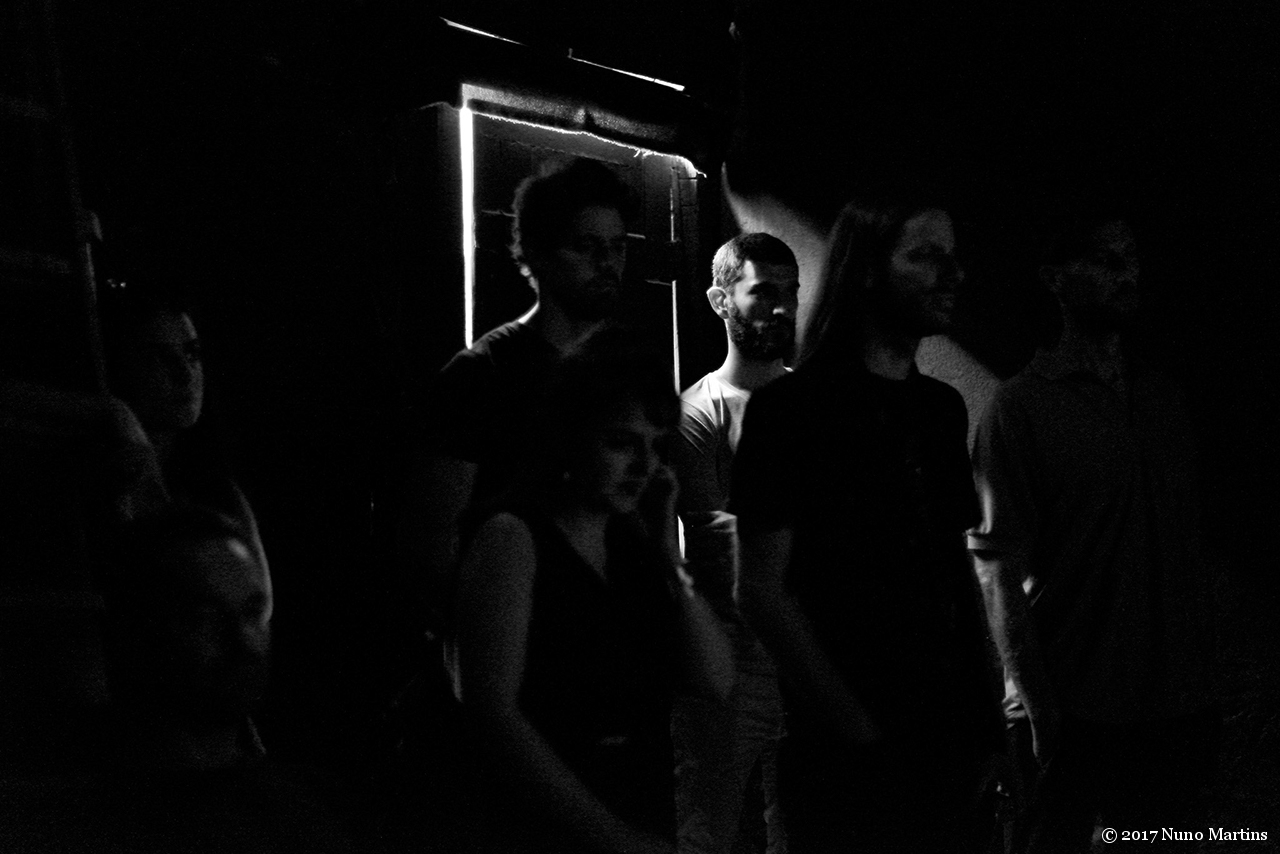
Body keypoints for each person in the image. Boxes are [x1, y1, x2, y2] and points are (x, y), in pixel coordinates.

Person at [732, 198, 1005, 852]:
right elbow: (762, 590)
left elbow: (953, 566)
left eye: (952, 256)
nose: (953, 274)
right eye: (926, 256)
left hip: (949, 744)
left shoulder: (939, 409)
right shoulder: (789, 412)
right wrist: (859, 733)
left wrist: (986, 715)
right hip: (848, 767)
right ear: (867, 270)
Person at [968, 212, 1219, 852]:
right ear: (1055, 279)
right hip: (1076, 707)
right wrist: (1038, 709)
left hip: (1174, 708)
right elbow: (997, 571)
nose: (1127, 275)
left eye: (1131, 260)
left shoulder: (1162, 399)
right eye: (1106, 261)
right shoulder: (1021, 406)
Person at [451, 332, 732, 854]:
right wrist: (616, 839)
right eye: (622, 443)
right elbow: (493, 714)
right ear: (569, 435)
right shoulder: (513, 537)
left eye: (656, 446)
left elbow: (716, 679)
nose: (644, 465)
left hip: (637, 812)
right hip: (543, 829)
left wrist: (668, 554)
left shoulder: (631, 547)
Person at [402, 157, 636, 625]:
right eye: (585, 246)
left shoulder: (623, 374)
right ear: (537, 254)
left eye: (617, 246)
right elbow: (434, 551)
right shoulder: (478, 377)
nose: (607, 262)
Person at [671, 233, 799, 854]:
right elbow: (717, 540)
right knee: (706, 834)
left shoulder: (814, 405)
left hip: (805, 656)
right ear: (721, 301)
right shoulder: (699, 411)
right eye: (764, 291)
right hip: (732, 661)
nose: (782, 308)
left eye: (791, 293)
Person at [98, 282, 265, 564]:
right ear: (122, 365)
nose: (185, 373)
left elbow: (253, 589)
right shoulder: (104, 474)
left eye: (192, 353)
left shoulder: (217, 492)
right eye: (161, 357)